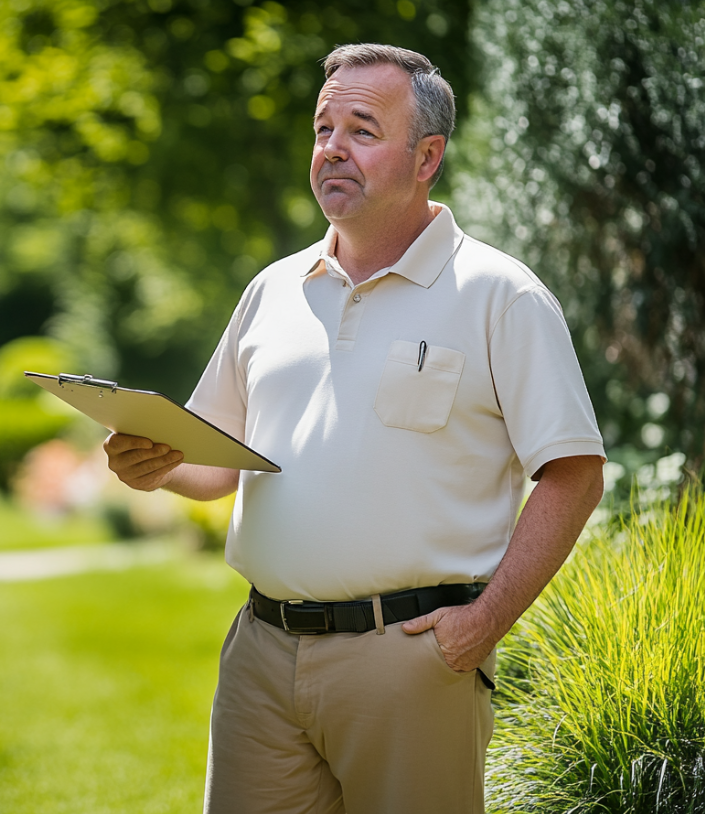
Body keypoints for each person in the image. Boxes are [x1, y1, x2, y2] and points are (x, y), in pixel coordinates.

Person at [104, 43, 605, 814]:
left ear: (426, 157)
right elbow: (214, 461)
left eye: (363, 130)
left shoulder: (501, 295)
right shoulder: (273, 289)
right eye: (323, 128)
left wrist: (482, 625)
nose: (333, 147)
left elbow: (574, 472)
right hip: (261, 658)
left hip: (411, 663)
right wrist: (153, 462)